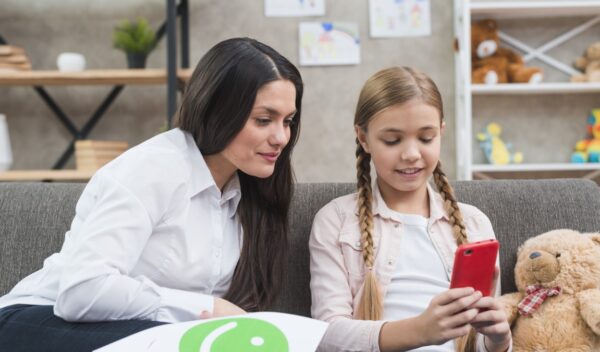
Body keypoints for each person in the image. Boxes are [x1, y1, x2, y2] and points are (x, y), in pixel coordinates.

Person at [0, 37, 303, 351]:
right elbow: (80, 292)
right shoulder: (155, 167)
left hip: (141, 334)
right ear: (217, 111)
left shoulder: (248, 196)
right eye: (264, 120)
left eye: (288, 121)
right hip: (37, 320)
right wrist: (206, 309)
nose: (281, 137)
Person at [309, 66, 511, 352]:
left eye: (426, 138)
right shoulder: (336, 220)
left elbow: (479, 338)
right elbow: (327, 336)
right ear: (363, 138)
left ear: (441, 132)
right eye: (392, 140)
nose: (411, 154)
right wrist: (420, 331)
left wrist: (498, 340)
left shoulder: (474, 223)